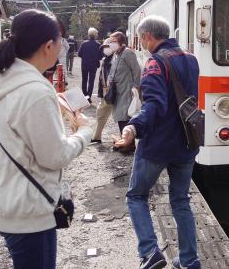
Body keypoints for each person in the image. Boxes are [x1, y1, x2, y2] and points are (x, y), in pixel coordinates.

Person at [0, 9, 92, 269]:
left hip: (5, 202)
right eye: (61, 40)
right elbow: (55, 156)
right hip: (29, 211)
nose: (63, 46)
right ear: (48, 46)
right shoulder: (35, 92)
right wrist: (83, 131)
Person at [115, 15, 200, 269]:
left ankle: (150, 251)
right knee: (180, 199)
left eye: (141, 38)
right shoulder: (191, 58)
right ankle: (189, 259)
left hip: (159, 144)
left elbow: (155, 105)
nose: (141, 43)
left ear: (148, 36)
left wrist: (133, 126)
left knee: (136, 196)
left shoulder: (155, 62)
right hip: (187, 141)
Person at [106, 31, 141, 151]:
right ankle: (123, 141)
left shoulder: (128, 53)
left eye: (113, 41)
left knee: (124, 116)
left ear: (121, 42)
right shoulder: (116, 54)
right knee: (119, 115)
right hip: (117, 90)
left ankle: (128, 144)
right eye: (110, 41)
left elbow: (136, 70)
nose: (111, 44)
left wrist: (136, 87)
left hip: (126, 89)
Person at [92, 39, 114, 143]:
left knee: (121, 117)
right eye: (104, 48)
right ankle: (96, 137)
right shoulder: (105, 59)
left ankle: (126, 140)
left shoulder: (117, 59)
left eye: (107, 47)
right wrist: (101, 92)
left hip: (115, 92)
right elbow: (102, 77)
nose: (105, 49)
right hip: (106, 92)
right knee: (100, 113)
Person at [77, 27, 102, 101]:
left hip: (84, 64)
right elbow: (101, 56)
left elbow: (79, 54)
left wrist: (85, 57)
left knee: (84, 80)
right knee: (91, 81)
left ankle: (84, 95)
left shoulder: (84, 44)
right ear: (95, 35)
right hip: (93, 65)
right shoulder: (98, 45)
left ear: (88, 35)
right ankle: (89, 96)